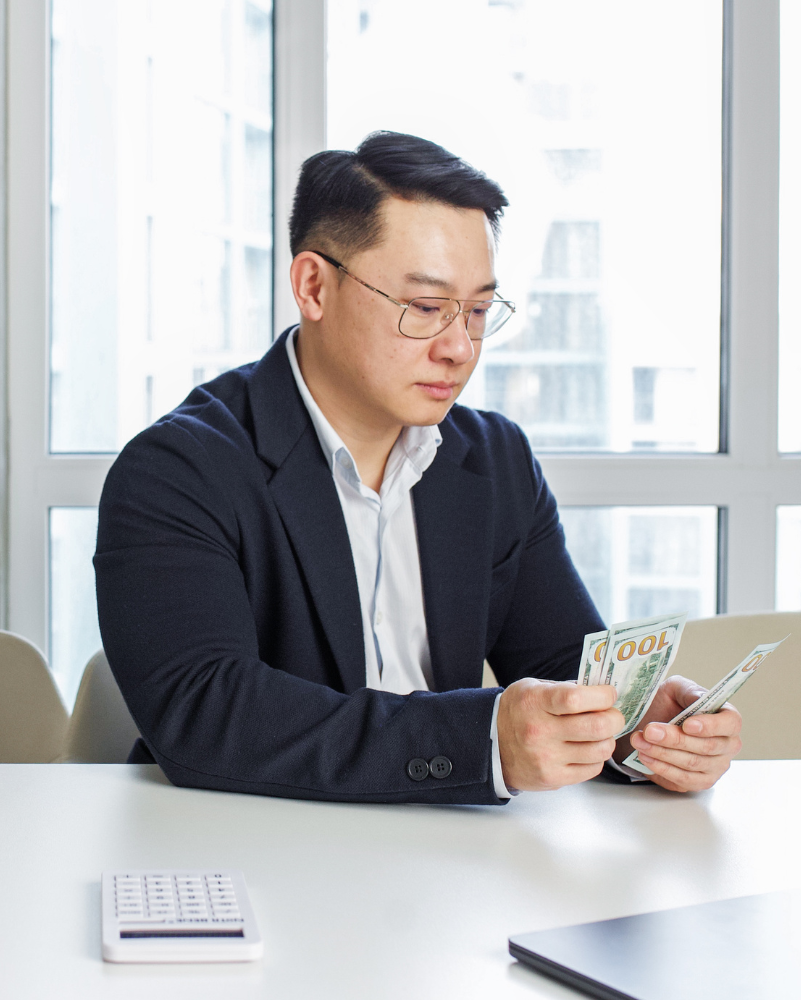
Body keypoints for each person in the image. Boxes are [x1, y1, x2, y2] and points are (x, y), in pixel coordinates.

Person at [94, 132, 742, 804]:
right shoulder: (177, 470)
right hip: (248, 844)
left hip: (443, 858)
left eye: (480, 311)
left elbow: (560, 669)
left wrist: (638, 729)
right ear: (313, 285)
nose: (460, 347)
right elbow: (207, 714)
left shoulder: (495, 461)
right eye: (427, 309)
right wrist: (483, 740)